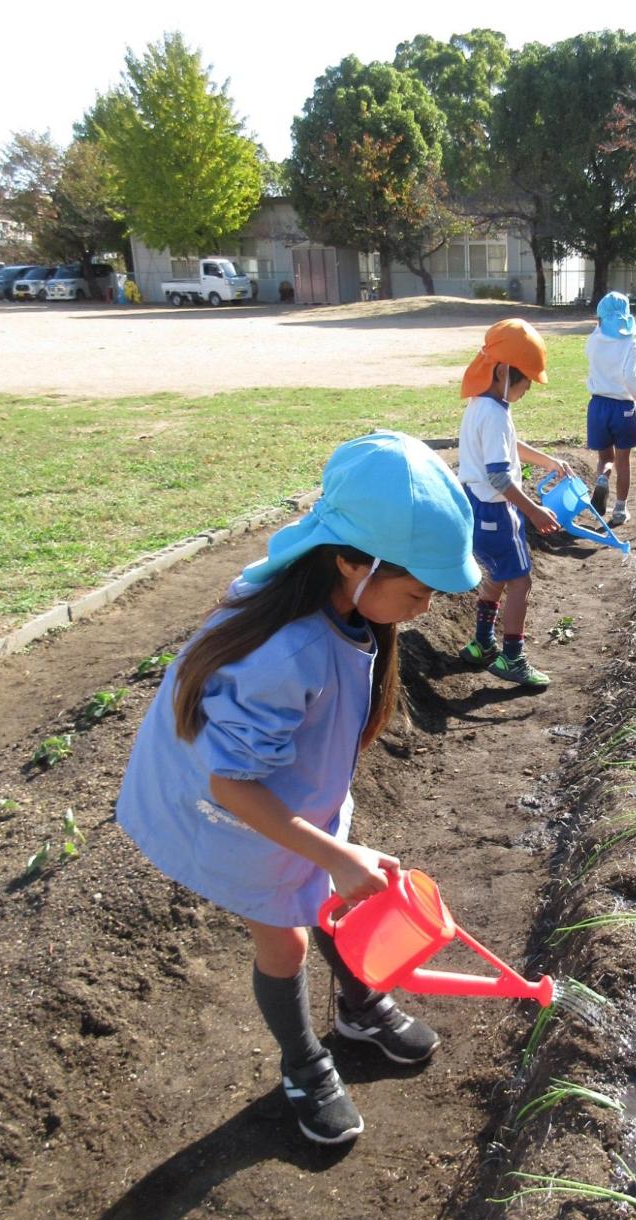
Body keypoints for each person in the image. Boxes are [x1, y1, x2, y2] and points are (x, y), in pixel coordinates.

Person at [115, 430, 481, 1145]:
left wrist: (333, 856)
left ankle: (358, 1008)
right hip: (230, 814)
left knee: (334, 896)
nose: (428, 608)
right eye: (417, 590)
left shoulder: (342, 605)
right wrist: (337, 857)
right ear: (352, 563)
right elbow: (231, 785)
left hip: (288, 795)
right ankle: (303, 1063)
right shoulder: (288, 650)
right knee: (284, 941)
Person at [454, 318, 569, 686]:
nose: (526, 391)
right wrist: (532, 510)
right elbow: (499, 476)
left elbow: (508, 449)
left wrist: (548, 461)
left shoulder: (480, 406)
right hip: (496, 512)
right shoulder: (496, 414)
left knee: (497, 575)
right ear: (504, 372)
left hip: (474, 507)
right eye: (526, 383)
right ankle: (512, 658)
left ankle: (483, 643)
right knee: (520, 582)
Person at [584, 290, 636, 528]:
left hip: (597, 405)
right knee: (623, 461)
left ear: (600, 319)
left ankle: (602, 479)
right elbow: (632, 378)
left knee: (605, 457)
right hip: (623, 407)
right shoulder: (630, 344)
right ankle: (620, 509)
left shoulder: (593, 339)